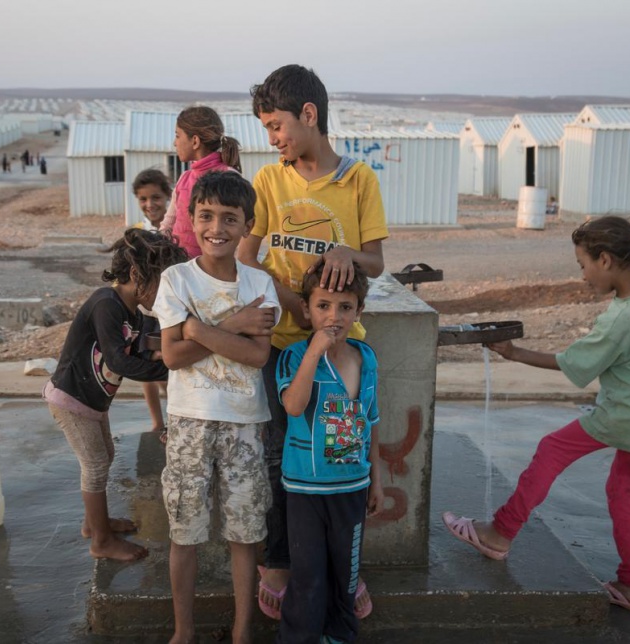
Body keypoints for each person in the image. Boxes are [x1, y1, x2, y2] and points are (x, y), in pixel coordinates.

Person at [443, 216, 630, 618]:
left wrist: (512, 352)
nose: (581, 276)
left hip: (629, 414)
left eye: (582, 265)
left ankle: (500, 533)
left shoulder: (622, 317)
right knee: (624, 491)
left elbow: (573, 363)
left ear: (604, 260)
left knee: (552, 449)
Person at [236, 63, 388, 620]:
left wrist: (350, 255)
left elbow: (376, 259)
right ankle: (279, 560)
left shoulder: (358, 180)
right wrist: (291, 300)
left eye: (276, 126)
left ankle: (347, 564)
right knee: (281, 453)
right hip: (285, 344)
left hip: (344, 350)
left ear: (309, 115)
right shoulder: (269, 181)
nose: (273, 140)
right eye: (266, 131)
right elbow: (248, 254)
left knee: (343, 452)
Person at [153, 171, 280, 644]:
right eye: (206, 216)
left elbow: (257, 354)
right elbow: (172, 354)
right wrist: (235, 322)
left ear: (247, 225)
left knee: (245, 533)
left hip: (246, 423)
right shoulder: (176, 279)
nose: (217, 227)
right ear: (191, 218)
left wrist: (198, 327)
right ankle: (183, 633)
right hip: (189, 421)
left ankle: (242, 632)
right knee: (184, 530)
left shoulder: (260, 284)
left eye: (230, 218)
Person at [44, 229, 188, 561]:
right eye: (164, 282)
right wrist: (176, 366)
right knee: (94, 465)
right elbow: (121, 361)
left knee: (105, 457)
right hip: (72, 400)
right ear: (137, 275)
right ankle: (101, 542)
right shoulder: (106, 305)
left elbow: (151, 338)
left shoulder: (134, 312)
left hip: (92, 401)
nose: (169, 292)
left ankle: (94, 523)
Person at [276, 260, 384, 643]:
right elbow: (292, 405)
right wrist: (313, 353)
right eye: (323, 306)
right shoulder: (293, 356)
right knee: (307, 575)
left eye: (345, 307)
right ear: (306, 309)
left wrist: (376, 482)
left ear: (359, 312)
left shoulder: (365, 358)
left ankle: (339, 636)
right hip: (306, 490)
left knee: (346, 572)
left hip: (352, 488)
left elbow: (370, 420)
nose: (333, 316)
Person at [99, 169, 175, 442]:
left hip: (167, 311)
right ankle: (156, 421)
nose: (150, 204)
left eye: (156, 197)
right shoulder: (138, 233)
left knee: (167, 366)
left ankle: (173, 417)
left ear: (168, 197)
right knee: (145, 367)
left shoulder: (174, 230)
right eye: (143, 199)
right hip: (144, 313)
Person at [159, 106, 241, 259]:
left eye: (177, 136)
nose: (174, 143)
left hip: (212, 271)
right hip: (179, 268)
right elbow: (168, 225)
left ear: (195, 141)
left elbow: (241, 226)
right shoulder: (184, 178)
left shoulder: (229, 178)